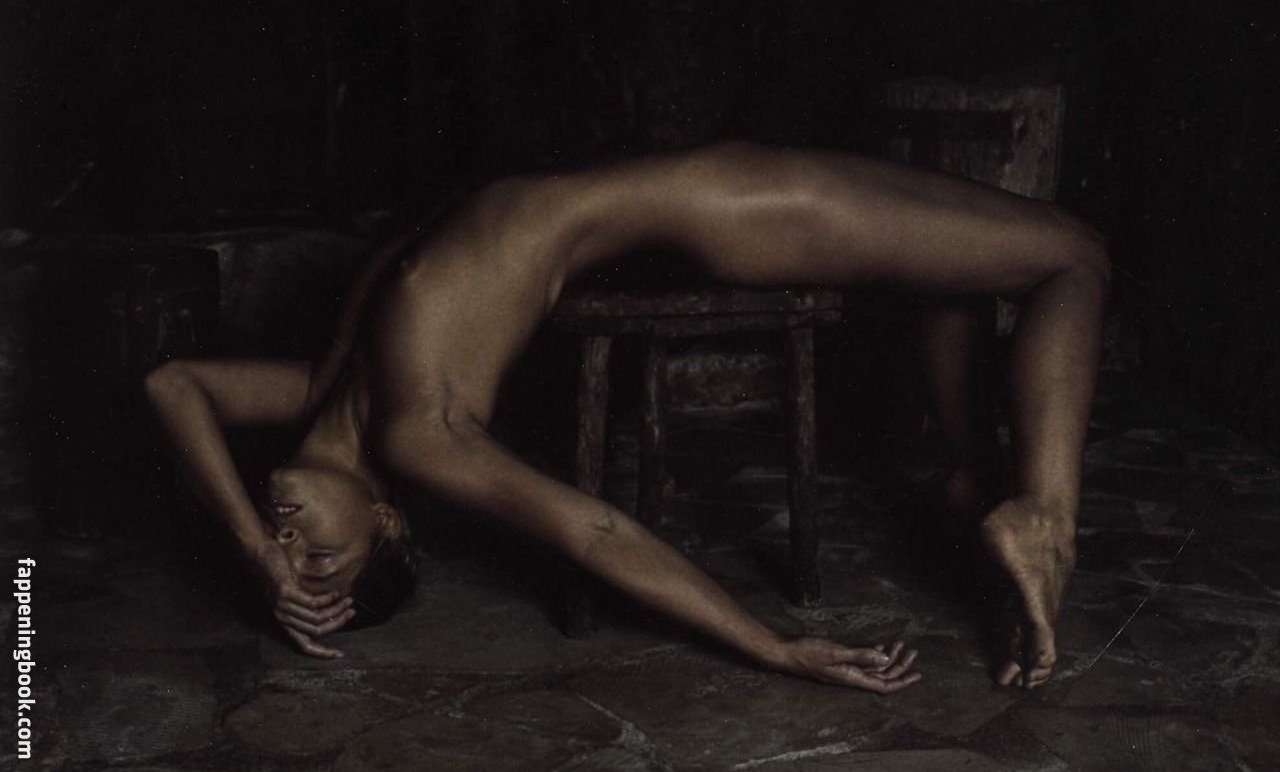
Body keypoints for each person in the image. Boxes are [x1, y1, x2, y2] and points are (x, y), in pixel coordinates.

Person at [146, 141, 1108, 693]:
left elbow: (173, 386)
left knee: (957, 270)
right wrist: (774, 646)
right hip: (728, 207)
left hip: (709, 202)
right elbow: (595, 530)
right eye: (320, 558)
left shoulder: (323, 388)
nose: (290, 541)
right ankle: (1046, 519)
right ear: (387, 519)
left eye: (295, 551)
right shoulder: (417, 432)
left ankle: (974, 476)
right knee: (1072, 256)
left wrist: (254, 554)